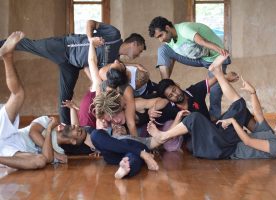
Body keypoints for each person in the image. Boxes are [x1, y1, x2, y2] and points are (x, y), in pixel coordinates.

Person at [147, 55, 276, 159]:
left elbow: (247, 141)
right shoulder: (269, 132)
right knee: (241, 106)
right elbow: (259, 114)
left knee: (195, 117)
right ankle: (217, 72)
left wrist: (233, 121)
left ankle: (163, 136)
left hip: (225, 148)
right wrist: (253, 93)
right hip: (221, 139)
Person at [0, 20, 146, 125]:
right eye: (139, 51)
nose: (138, 54)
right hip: (65, 47)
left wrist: (94, 84)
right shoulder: (114, 35)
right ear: (134, 43)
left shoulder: (114, 62)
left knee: (65, 98)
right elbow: (90, 23)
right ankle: (4, 46)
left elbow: (92, 67)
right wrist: (90, 39)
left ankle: (65, 128)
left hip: (72, 65)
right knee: (32, 45)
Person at [148, 16, 231, 120]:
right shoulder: (169, 40)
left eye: (161, 35)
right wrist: (167, 83)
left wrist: (221, 51)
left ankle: (214, 116)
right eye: (158, 38)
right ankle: (164, 87)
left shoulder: (184, 29)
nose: (161, 39)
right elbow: (172, 57)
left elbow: (202, 41)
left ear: (167, 28)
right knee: (163, 50)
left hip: (214, 58)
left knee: (215, 88)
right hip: (198, 58)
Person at [0, 31, 52, 169]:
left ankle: (7, 56)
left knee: (18, 94)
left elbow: (41, 160)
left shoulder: (57, 149)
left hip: (7, 148)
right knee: (18, 95)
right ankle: (7, 56)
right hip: (7, 136)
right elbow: (43, 158)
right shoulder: (45, 122)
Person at [90, 89, 159, 179]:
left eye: (116, 114)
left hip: (131, 150)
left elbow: (162, 101)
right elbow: (100, 138)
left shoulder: (134, 106)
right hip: (113, 150)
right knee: (95, 135)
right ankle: (140, 154)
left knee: (133, 156)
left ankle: (125, 170)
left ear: (122, 107)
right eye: (111, 119)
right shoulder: (105, 119)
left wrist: (152, 111)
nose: (116, 121)